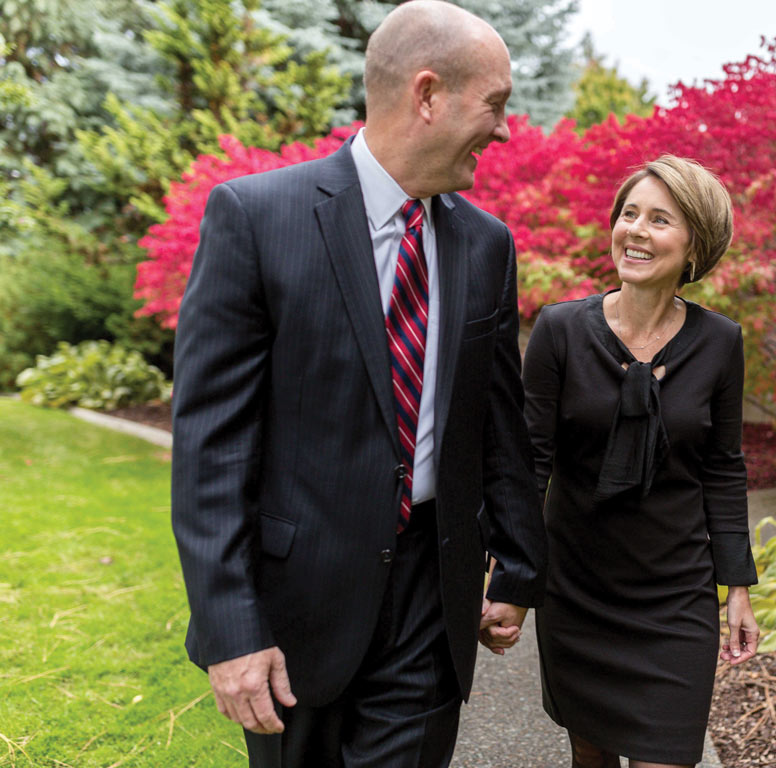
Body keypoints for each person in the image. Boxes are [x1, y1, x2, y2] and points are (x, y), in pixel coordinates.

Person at [170, 2, 547, 766]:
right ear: (428, 94)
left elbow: (497, 419)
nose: (505, 130)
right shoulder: (255, 217)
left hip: (428, 599)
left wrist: (516, 568)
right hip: (295, 610)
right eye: (495, 105)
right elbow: (211, 447)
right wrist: (232, 630)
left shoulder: (486, 245)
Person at [522, 155, 761, 768]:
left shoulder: (719, 343)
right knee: (590, 756)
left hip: (675, 594)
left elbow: (723, 467)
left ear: (694, 246)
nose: (636, 230)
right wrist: (510, 583)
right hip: (577, 588)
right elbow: (529, 466)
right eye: (629, 214)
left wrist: (738, 587)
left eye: (659, 219)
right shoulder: (559, 332)